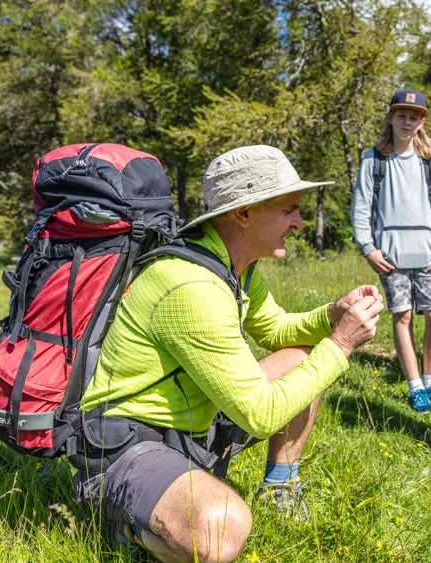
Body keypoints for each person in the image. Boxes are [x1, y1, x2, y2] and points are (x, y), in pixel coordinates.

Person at [76, 145, 385, 563]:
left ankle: (279, 488)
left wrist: (333, 314)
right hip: (124, 447)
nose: (298, 222)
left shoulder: (233, 267)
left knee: (300, 359)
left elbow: (277, 330)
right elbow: (259, 414)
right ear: (244, 212)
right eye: (289, 209)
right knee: (222, 530)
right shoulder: (191, 286)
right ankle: (122, 522)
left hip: (189, 428)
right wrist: (342, 342)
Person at [351, 88, 431, 413]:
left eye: (414, 117)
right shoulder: (374, 160)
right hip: (390, 255)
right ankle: (415, 387)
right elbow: (361, 208)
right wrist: (368, 248)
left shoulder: (430, 161)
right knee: (403, 316)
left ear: (421, 121)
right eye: (402, 115)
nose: (407, 122)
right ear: (391, 118)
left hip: (428, 254)